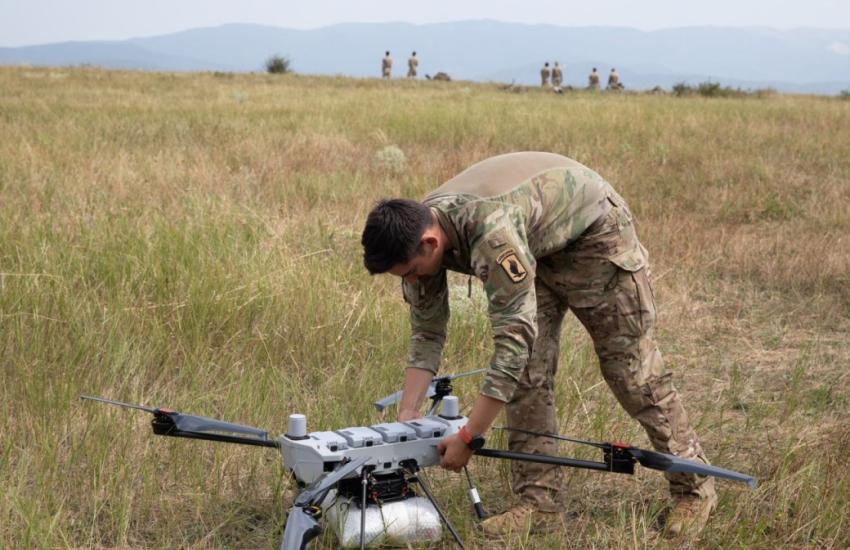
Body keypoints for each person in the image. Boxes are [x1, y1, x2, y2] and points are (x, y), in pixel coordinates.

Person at [361, 152, 717, 538]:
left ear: (430, 243)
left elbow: (511, 347)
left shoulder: (490, 234)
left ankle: (695, 490)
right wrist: (409, 411)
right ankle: (540, 504)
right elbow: (427, 331)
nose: (412, 281)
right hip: (537, 244)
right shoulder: (418, 235)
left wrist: (468, 437)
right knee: (529, 375)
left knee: (631, 372)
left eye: (412, 273)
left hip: (594, 236)